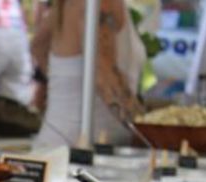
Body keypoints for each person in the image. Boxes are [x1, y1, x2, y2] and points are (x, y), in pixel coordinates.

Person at [31, 0, 145, 149]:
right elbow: (103, 74)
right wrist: (148, 129)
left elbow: (38, 46)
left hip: (60, 140)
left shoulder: (69, 4)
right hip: (82, 150)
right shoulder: (100, 4)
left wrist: (66, 85)